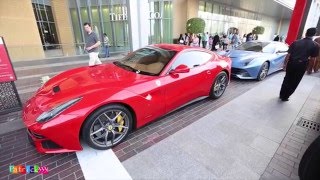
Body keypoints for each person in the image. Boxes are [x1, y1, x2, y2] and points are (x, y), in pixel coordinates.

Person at [279, 28, 319, 101]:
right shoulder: (315, 45)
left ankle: (282, 94)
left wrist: (284, 64)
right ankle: (286, 96)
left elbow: (288, 54)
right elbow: (313, 59)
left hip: (291, 63)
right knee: (295, 81)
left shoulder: (296, 42)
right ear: (314, 34)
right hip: (302, 65)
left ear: (306, 33)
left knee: (287, 79)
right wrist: (310, 68)